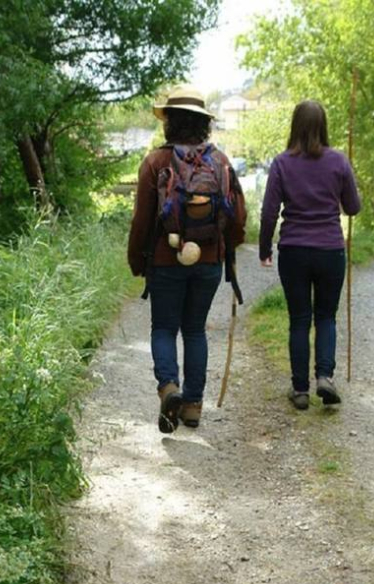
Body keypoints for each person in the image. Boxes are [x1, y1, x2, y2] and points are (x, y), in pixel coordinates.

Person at [128, 85, 246, 433]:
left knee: (164, 327)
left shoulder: (155, 161)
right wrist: (229, 248)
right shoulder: (221, 161)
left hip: (166, 259)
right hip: (209, 261)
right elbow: (238, 216)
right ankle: (192, 406)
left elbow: (142, 220)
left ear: (170, 122)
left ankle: (169, 388)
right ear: (203, 124)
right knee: (195, 329)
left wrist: (137, 261)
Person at [259, 100, 360, 410]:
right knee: (326, 316)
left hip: (294, 250)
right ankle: (325, 378)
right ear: (324, 126)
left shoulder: (281, 163)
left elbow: (269, 212)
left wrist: (264, 248)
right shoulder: (339, 161)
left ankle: (300, 389)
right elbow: (353, 207)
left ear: (295, 126)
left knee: (299, 319)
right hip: (330, 249)